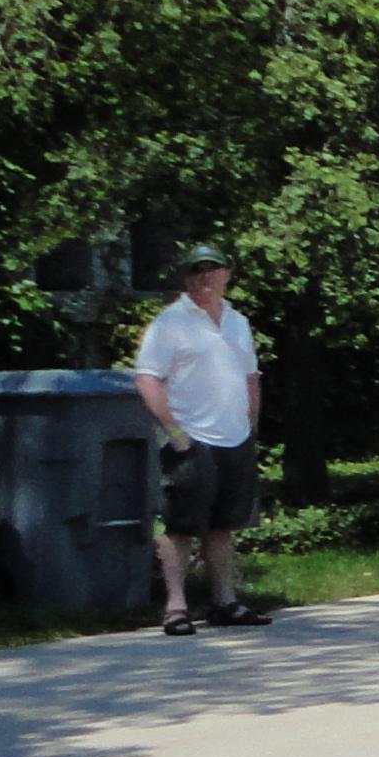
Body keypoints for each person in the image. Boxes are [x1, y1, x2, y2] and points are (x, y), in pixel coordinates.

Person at [132, 244, 266, 633]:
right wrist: (176, 433)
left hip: (234, 438)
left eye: (212, 269)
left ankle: (225, 602)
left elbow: (250, 377)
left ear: (227, 274)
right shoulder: (169, 323)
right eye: (196, 271)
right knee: (180, 526)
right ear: (186, 278)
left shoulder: (237, 322)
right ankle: (176, 608)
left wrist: (251, 426)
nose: (205, 277)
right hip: (192, 439)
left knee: (224, 525)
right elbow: (146, 379)